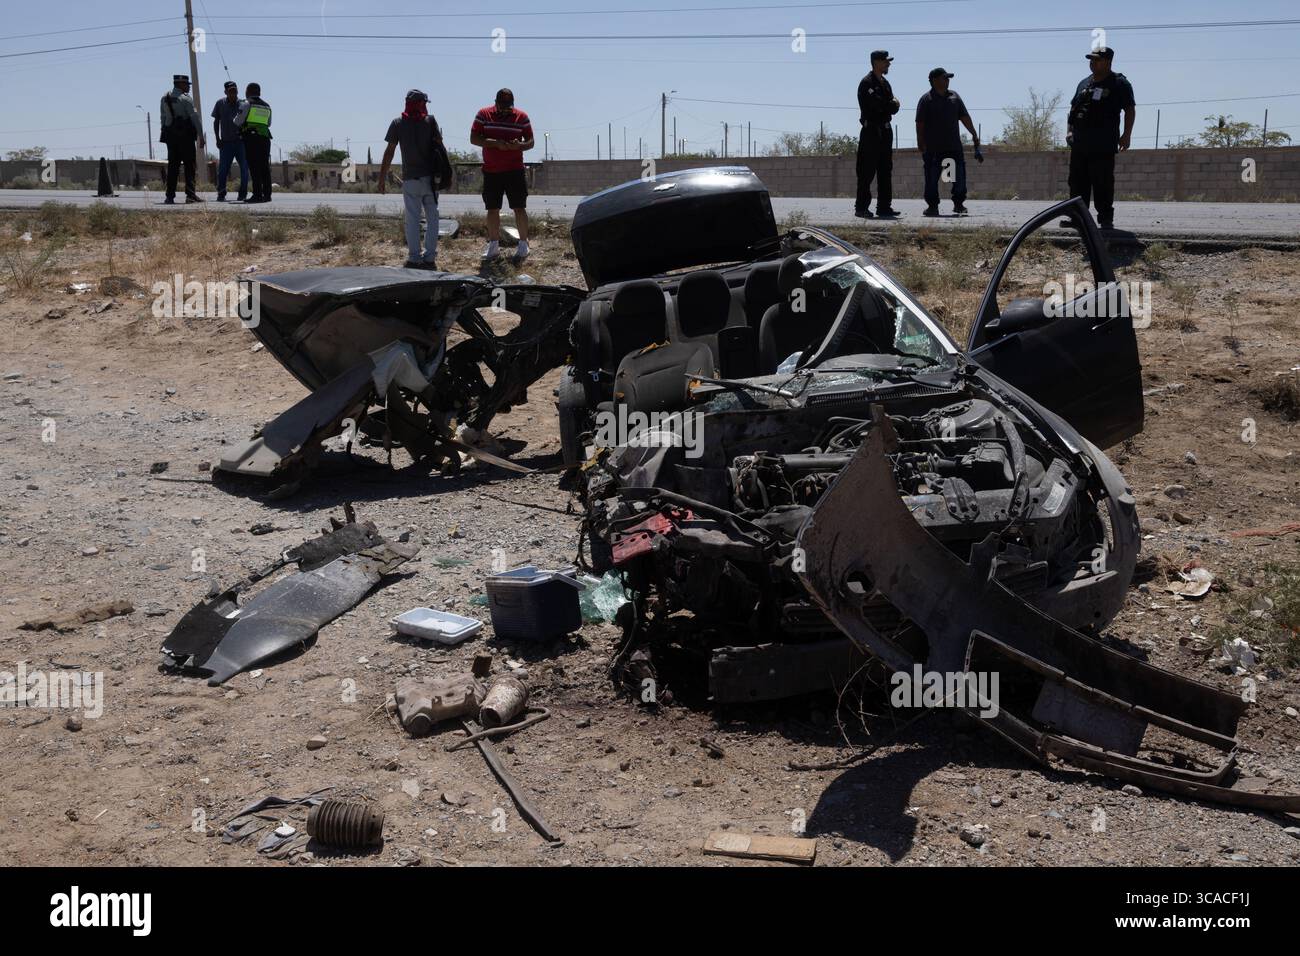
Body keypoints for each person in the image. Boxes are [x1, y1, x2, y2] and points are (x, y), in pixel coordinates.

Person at [379, 89, 452, 270]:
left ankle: (414, 258)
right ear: (422, 104)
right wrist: (447, 174)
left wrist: (381, 178)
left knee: (412, 219)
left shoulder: (397, 123)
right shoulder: (430, 121)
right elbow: (441, 149)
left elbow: (389, 152)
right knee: (432, 217)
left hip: (411, 180)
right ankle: (429, 258)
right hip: (430, 180)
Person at [1064, 46, 1135, 231]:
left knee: (1102, 183)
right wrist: (1069, 131)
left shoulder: (1119, 84)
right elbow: (1073, 110)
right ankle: (1078, 219)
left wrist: (1126, 135)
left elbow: (1129, 109)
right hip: (1080, 144)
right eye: (1091, 59)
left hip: (1103, 144)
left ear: (1108, 62)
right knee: (1077, 183)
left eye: (1097, 60)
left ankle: (1105, 220)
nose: (1092, 63)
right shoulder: (1083, 83)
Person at [470, 88, 534, 261]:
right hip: (491, 171)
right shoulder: (483, 114)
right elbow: (474, 138)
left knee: (519, 207)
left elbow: (530, 142)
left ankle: (523, 244)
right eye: (502, 105)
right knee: (492, 208)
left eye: (509, 106)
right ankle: (493, 245)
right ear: (496, 102)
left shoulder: (522, 117)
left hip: (515, 170)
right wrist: (493, 143)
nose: (506, 109)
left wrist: (518, 146)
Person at [915, 67, 981, 216]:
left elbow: (964, 117)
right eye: (945, 78)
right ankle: (933, 206)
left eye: (948, 78)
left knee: (956, 177)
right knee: (932, 179)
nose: (948, 80)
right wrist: (920, 142)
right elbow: (920, 123)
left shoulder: (954, 97)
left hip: (953, 148)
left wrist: (974, 134)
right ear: (934, 80)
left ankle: (958, 204)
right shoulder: (926, 100)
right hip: (933, 150)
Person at [855, 50, 901, 219]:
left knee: (885, 169)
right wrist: (890, 104)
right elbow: (879, 105)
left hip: (885, 131)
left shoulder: (885, 83)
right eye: (885, 61)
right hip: (871, 131)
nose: (888, 64)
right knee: (867, 170)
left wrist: (890, 105)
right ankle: (861, 207)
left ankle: (884, 207)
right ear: (876, 62)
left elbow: (893, 107)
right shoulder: (867, 83)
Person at [160, 74, 204, 204]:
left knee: (173, 166)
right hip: (185, 137)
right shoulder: (186, 99)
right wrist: (201, 136)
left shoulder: (164, 97)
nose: (188, 87)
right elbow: (195, 118)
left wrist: (165, 132)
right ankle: (190, 195)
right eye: (186, 85)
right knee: (189, 166)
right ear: (180, 84)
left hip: (171, 136)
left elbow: (162, 117)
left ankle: (169, 196)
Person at [235, 83, 273, 203]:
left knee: (254, 166)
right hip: (265, 138)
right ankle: (267, 195)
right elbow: (269, 123)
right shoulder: (267, 106)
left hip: (252, 138)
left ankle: (257, 195)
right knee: (264, 167)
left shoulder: (246, 104)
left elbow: (237, 121)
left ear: (248, 91)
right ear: (259, 92)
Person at [211, 80, 248, 202]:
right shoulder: (220, 103)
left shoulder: (243, 104)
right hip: (226, 143)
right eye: (230, 91)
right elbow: (216, 122)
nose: (233, 93)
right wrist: (217, 138)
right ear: (225, 92)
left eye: (235, 90)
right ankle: (221, 193)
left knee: (244, 168)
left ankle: (242, 193)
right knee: (223, 170)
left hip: (241, 142)